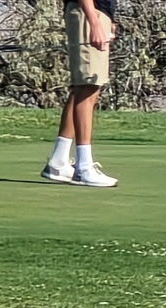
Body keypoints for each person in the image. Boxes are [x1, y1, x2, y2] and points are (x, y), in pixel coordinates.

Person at [41, 0, 118, 187]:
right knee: (87, 88)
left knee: (83, 88)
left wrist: (109, 18)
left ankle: (59, 161)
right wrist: (95, 22)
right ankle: (84, 168)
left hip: (96, 13)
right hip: (89, 13)